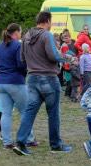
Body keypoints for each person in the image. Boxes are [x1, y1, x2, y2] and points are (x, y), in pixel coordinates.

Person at [13, 11, 72, 156]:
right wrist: (67, 58)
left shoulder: (26, 36)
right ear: (47, 21)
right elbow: (53, 55)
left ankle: (20, 142)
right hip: (48, 78)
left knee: (30, 111)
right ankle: (56, 145)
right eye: (51, 22)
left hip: (32, 78)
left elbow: (22, 58)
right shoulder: (46, 35)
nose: (51, 25)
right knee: (53, 112)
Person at [0, 23, 36, 149]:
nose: (21, 34)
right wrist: (25, 72)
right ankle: (29, 139)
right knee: (25, 111)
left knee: (5, 113)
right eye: (20, 31)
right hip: (15, 81)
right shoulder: (18, 45)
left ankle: (7, 142)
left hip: (1, 82)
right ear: (16, 32)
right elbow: (20, 64)